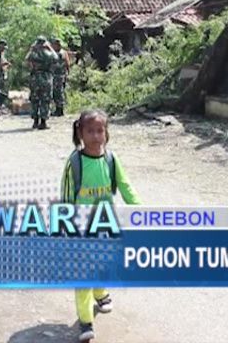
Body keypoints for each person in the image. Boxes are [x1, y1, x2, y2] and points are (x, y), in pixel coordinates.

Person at [60, 109, 141, 342]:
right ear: (80, 133)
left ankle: (101, 292)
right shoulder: (74, 163)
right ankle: (85, 321)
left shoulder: (111, 160)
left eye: (100, 130)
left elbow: (126, 187)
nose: (96, 136)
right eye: (90, 131)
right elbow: (66, 196)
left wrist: (141, 210)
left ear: (106, 133)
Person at [25, 36, 58, 130]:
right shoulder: (48, 53)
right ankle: (43, 122)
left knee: (34, 99)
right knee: (45, 99)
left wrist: (32, 49)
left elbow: (27, 59)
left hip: (35, 78)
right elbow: (56, 58)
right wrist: (50, 48)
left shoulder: (33, 54)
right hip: (46, 78)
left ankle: (35, 121)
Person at [51, 38, 70, 117]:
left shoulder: (61, 53)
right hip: (55, 75)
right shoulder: (59, 52)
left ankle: (60, 110)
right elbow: (67, 63)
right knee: (56, 93)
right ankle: (58, 109)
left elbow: (67, 63)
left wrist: (67, 72)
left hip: (59, 75)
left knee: (59, 92)